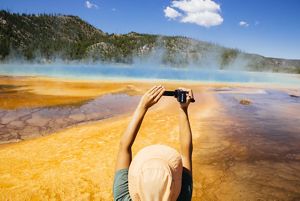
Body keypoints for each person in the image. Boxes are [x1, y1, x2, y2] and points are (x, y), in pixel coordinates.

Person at [113, 85, 194, 201]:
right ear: (175, 185)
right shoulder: (182, 197)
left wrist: (143, 106)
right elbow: (186, 153)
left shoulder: (123, 198)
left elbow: (124, 147)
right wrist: (183, 109)